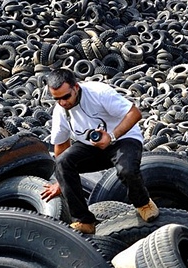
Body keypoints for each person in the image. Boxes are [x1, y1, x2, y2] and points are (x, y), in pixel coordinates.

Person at [40, 68, 159, 234]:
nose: (63, 102)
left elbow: (134, 114)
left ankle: (143, 203)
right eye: (57, 99)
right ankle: (84, 221)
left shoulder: (98, 93)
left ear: (76, 87)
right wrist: (62, 180)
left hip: (123, 138)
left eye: (66, 96)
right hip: (91, 147)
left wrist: (111, 136)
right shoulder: (60, 111)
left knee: (127, 170)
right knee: (62, 162)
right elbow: (61, 146)